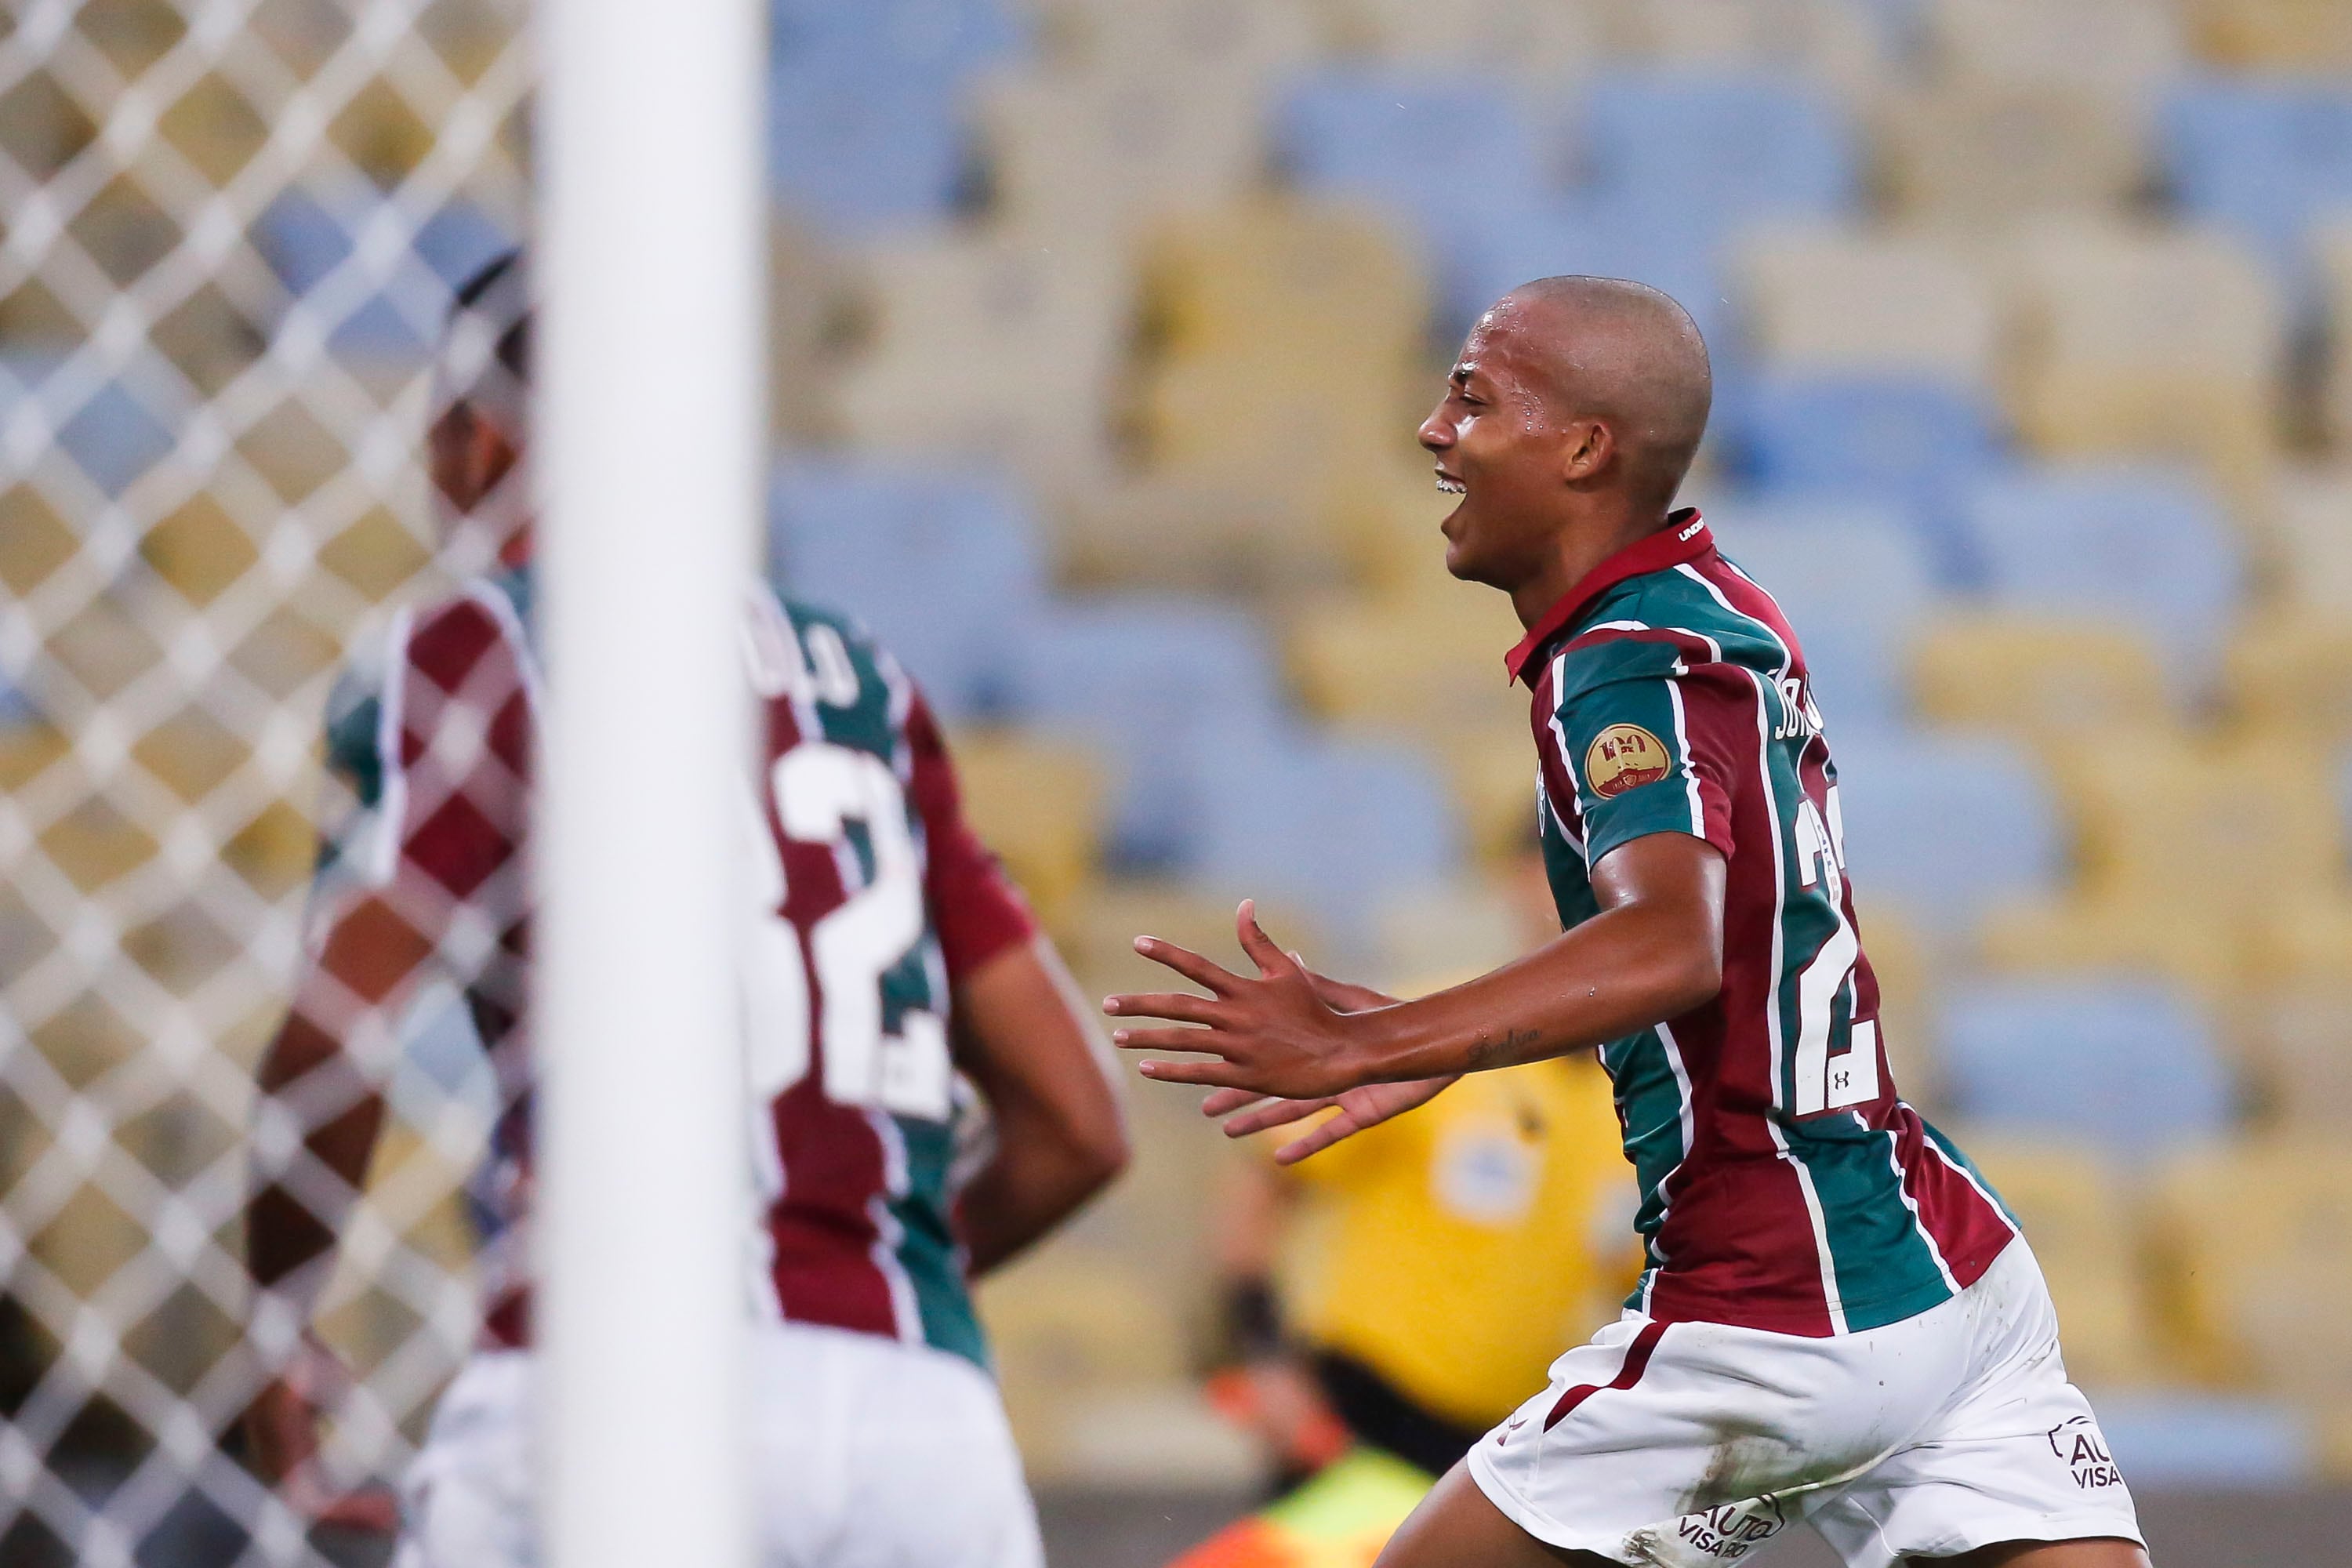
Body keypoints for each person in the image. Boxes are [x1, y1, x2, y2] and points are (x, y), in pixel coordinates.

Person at [1105, 277, 2149, 1568]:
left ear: (1585, 448)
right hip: (1945, 1266)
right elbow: (1738, 951)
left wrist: (1365, 1049)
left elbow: (1672, 945)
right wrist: (1429, 1044)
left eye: (1475, 399)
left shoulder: (1624, 656)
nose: (1435, 430)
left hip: (1776, 1306)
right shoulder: (1717, 605)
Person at [241, 252, 1127, 1568]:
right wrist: (863, 1301)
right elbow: (1075, 1129)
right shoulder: (859, 679)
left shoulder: (483, 645)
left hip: (607, 1386)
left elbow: (336, 1035)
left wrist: (281, 1340)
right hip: (922, 1437)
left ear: (471, 441)